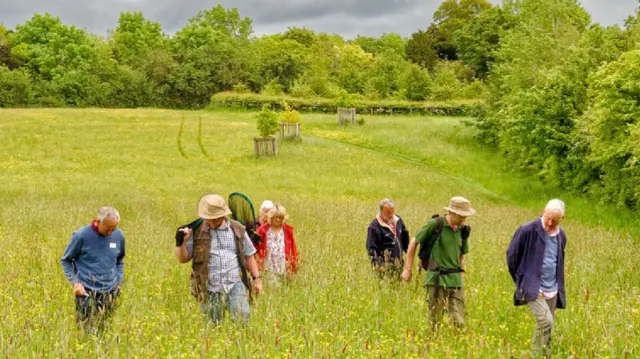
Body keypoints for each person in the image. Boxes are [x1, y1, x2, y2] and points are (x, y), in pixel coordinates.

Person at [174, 194, 263, 326]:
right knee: (213, 326)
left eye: (215, 219)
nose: (211, 222)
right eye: (209, 219)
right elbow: (183, 258)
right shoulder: (197, 231)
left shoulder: (237, 229)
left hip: (235, 284)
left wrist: (257, 279)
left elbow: (249, 254)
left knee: (242, 320)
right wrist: (181, 243)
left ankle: (238, 345)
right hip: (209, 288)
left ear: (223, 215)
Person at [401, 196, 475, 329]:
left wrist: (461, 277)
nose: (464, 219)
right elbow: (413, 242)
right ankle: (431, 344)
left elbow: (462, 255)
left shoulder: (463, 230)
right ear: (453, 212)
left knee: (459, 322)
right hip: (436, 279)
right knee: (435, 321)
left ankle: (455, 345)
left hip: (455, 281)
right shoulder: (435, 224)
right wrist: (408, 269)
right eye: (462, 216)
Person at [507, 199, 567, 358]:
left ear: (562, 218)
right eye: (548, 217)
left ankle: (545, 355)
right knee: (546, 321)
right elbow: (512, 256)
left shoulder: (562, 236)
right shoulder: (527, 230)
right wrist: (522, 281)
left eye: (555, 220)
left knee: (549, 325)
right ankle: (534, 355)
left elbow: (558, 261)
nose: (549, 222)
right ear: (543, 212)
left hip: (552, 287)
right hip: (533, 287)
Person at [61, 206, 125, 331]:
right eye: (107, 229)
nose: (110, 233)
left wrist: (119, 282)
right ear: (97, 221)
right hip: (86, 292)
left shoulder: (119, 235)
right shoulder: (81, 236)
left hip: (110, 292)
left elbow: (119, 261)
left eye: (114, 229)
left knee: (105, 331)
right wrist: (75, 283)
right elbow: (66, 261)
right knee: (85, 332)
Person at [256, 204, 299, 282]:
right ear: (271, 217)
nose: (278, 219)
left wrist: (293, 265)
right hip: (267, 266)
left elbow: (293, 249)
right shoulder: (262, 230)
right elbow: (255, 247)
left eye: (280, 217)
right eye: (276, 217)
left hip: (283, 264)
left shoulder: (288, 230)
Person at [366, 198, 410, 274]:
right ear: (381, 211)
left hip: (399, 265)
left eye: (392, 212)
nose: (391, 216)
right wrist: (378, 267)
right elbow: (371, 249)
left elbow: (404, 235)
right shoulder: (374, 227)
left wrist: (407, 250)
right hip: (384, 269)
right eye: (388, 213)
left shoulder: (398, 220)